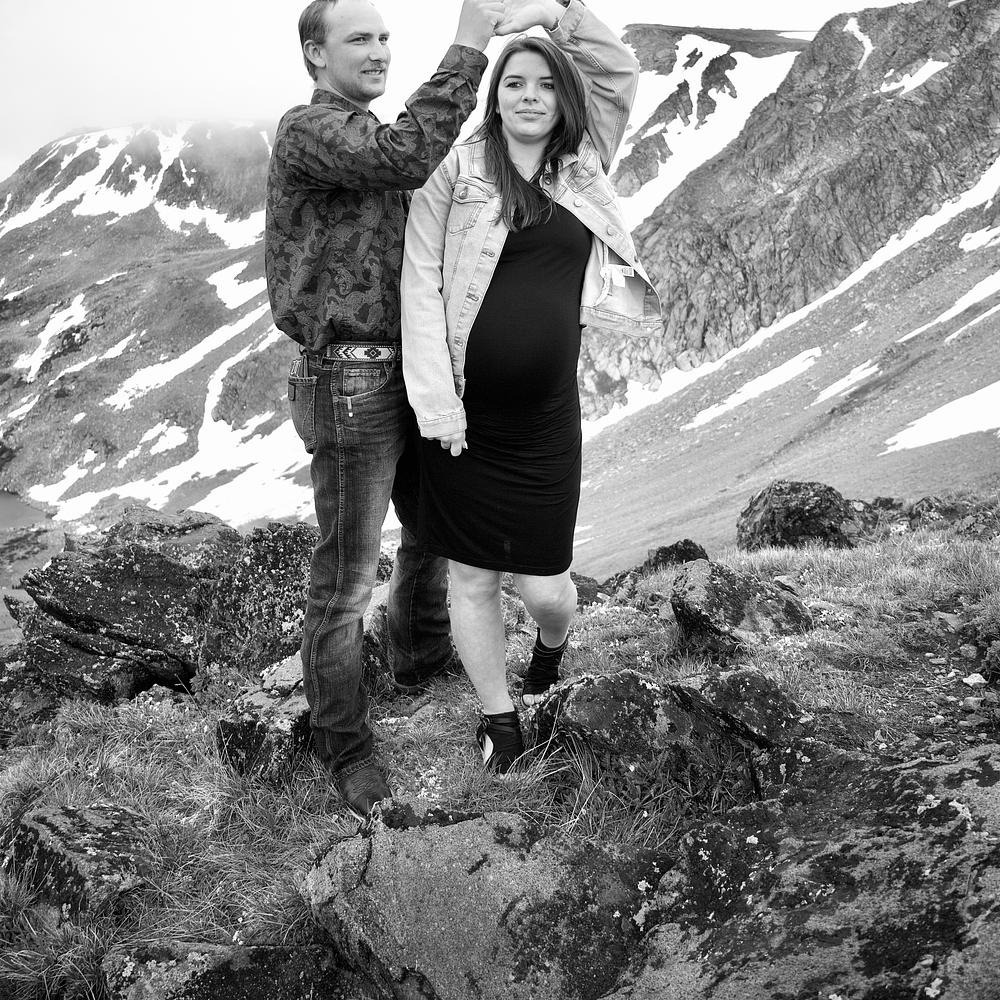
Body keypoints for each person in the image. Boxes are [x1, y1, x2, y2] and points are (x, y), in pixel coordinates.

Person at [401, 0, 662, 773]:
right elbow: (419, 284)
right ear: (495, 94)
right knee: (473, 577)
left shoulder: (583, 161)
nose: (529, 96)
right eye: (514, 82)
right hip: (463, 421)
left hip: (546, 423)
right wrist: (437, 403)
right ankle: (500, 718)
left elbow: (617, 69)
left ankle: (550, 649)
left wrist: (554, 13)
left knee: (547, 590)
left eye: (545, 84)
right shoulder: (455, 171)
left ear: (563, 98)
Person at [264, 0, 510, 816]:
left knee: (432, 533)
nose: (377, 51)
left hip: (410, 373)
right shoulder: (307, 131)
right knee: (344, 581)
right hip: (348, 383)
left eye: (383, 37)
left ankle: (421, 658)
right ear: (314, 53)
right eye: (357, 38)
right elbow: (406, 154)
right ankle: (346, 750)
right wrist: (469, 42)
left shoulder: (367, 136)